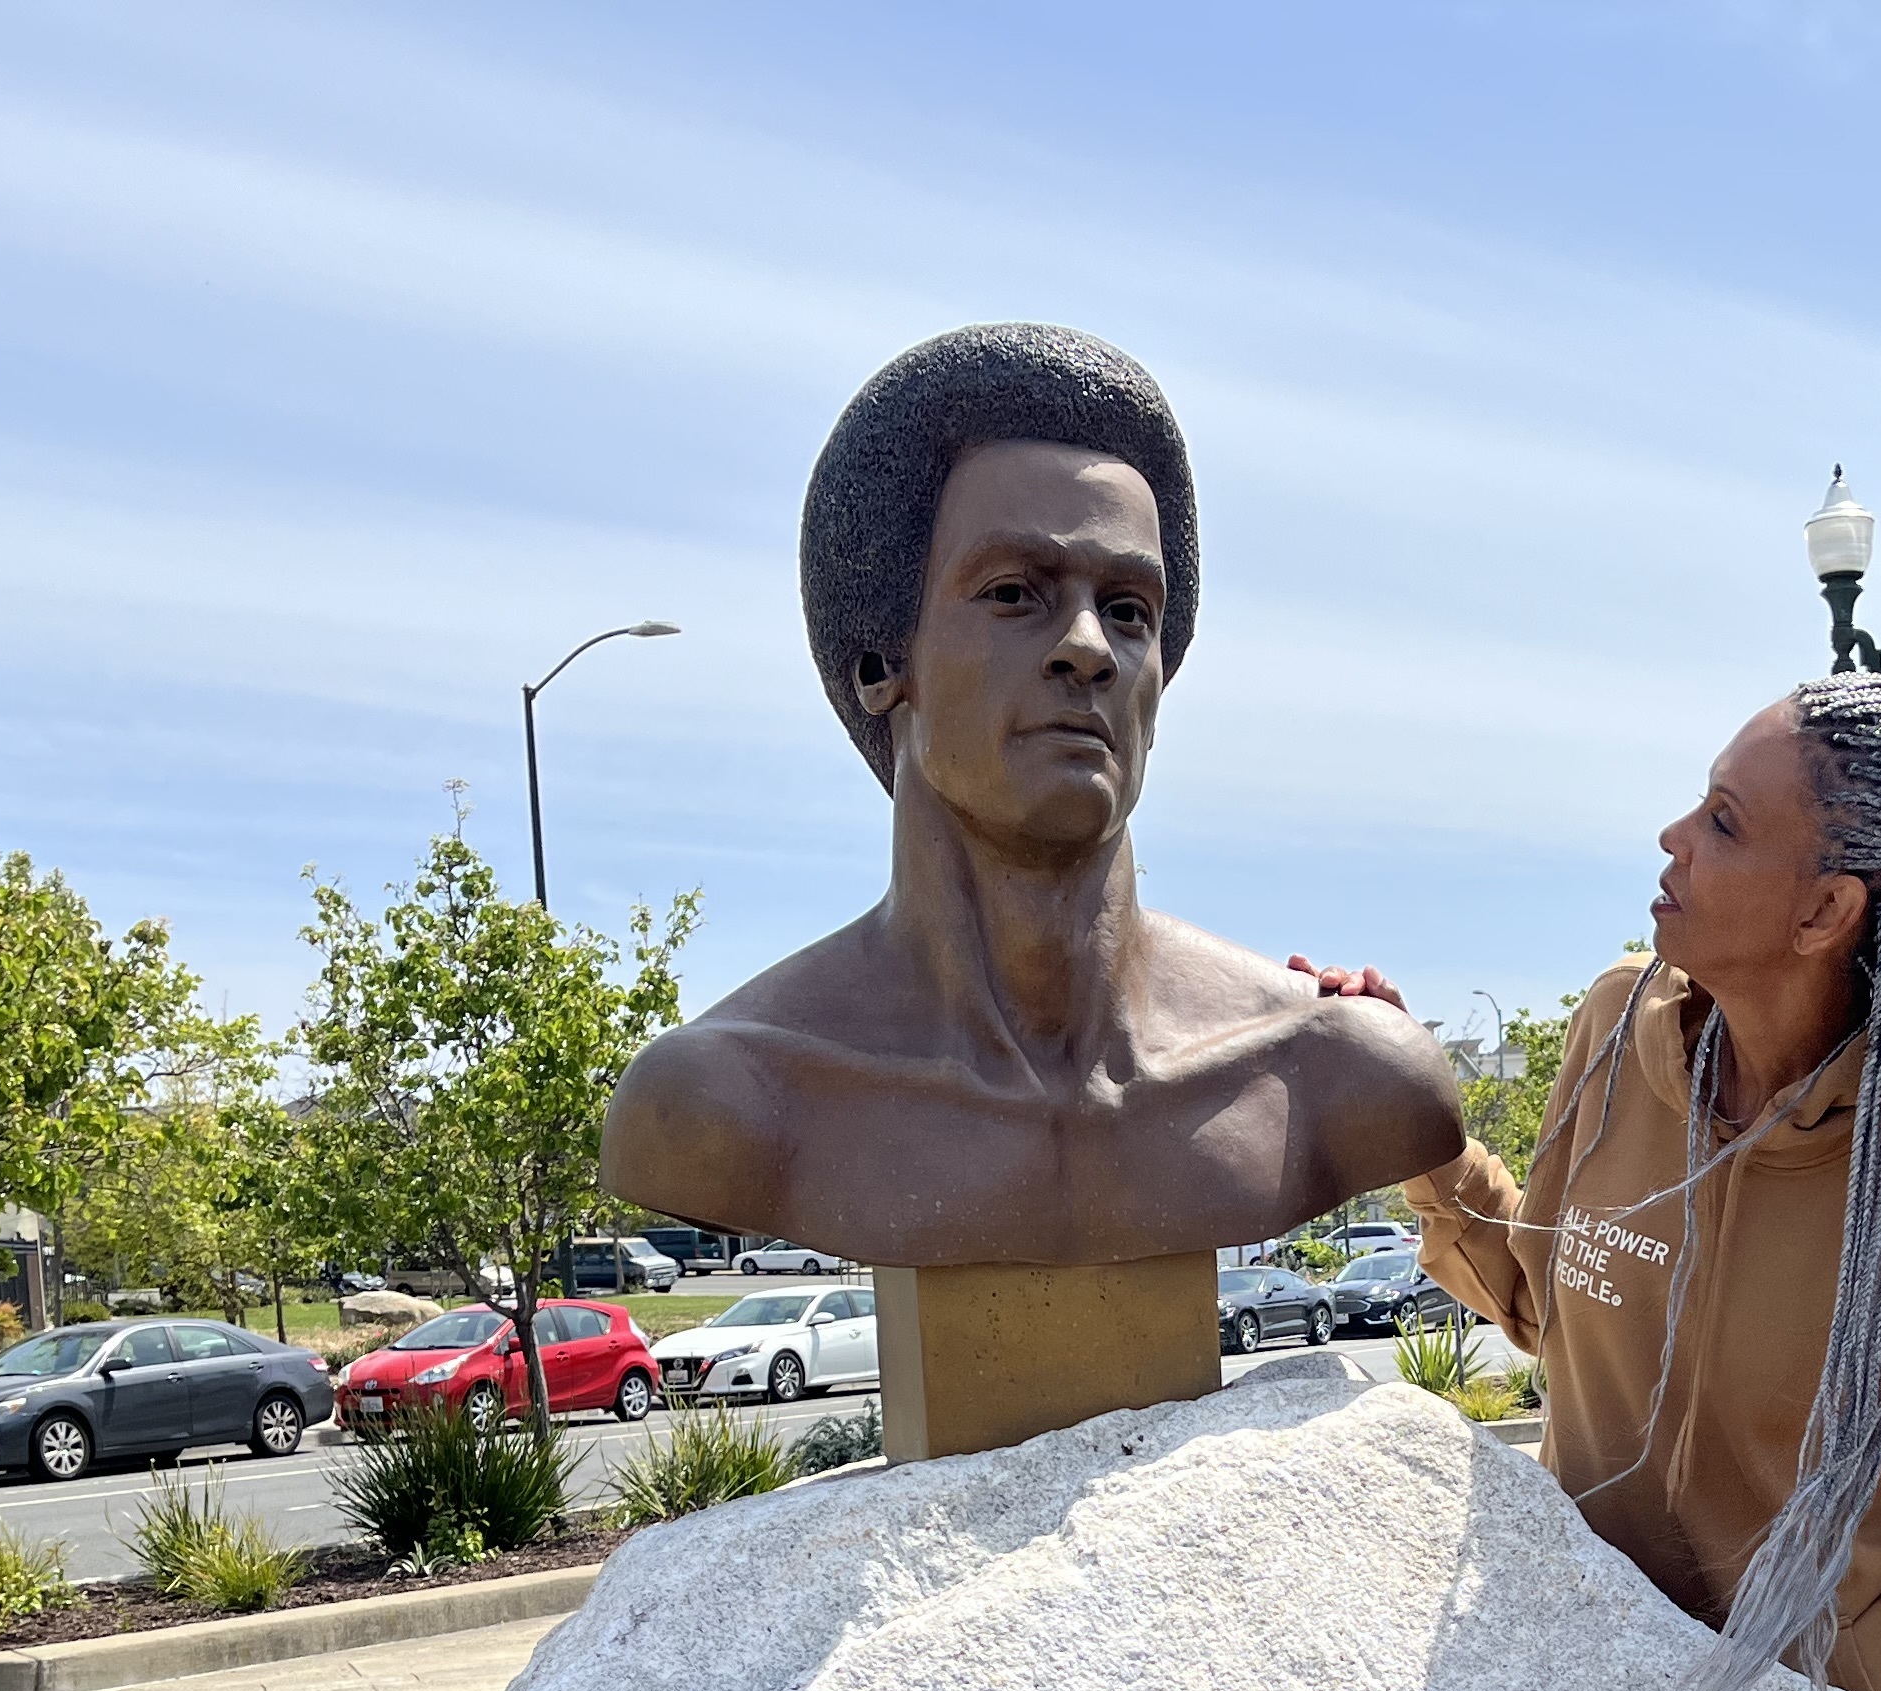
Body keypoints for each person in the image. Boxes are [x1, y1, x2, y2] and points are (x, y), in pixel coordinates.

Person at [1322, 676, 1881, 1691]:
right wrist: (1417, 1126)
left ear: (1823, 912)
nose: (1673, 837)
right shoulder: (1614, 1026)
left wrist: (1854, 1669)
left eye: (1724, 821)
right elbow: (1541, 1297)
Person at [601, 323, 1462, 1268]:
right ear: (881, 664)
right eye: (1015, 592)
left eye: (1131, 610)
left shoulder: (1334, 1074)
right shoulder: (728, 1103)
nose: (1090, 647)